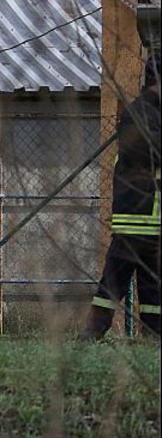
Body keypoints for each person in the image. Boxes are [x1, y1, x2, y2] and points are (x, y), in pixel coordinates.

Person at [82, 53, 161, 340]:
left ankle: (154, 336)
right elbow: (148, 151)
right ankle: (93, 332)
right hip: (135, 218)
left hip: (153, 221)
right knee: (113, 283)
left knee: (153, 287)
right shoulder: (139, 113)